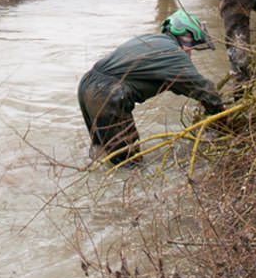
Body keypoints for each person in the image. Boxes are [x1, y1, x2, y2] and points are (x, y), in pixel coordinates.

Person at [78, 10, 225, 165]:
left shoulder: (154, 41)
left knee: (101, 152)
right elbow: (203, 88)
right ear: (185, 35)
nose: (190, 54)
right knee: (128, 163)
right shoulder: (174, 53)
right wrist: (220, 113)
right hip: (106, 94)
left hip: (87, 84)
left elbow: (180, 84)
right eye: (191, 47)